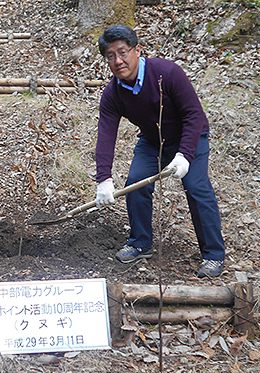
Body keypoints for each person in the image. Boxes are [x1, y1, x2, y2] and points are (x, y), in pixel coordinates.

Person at [94, 25, 225, 278]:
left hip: (191, 136)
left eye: (122, 52)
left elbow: (194, 114)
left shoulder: (167, 73)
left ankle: (213, 255)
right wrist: (104, 179)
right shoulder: (113, 94)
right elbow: (106, 136)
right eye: (110, 56)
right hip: (153, 141)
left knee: (196, 187)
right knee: (136, 182)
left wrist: (185, 154)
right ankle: (140, 242)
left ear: (137, 50)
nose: (118, 61)